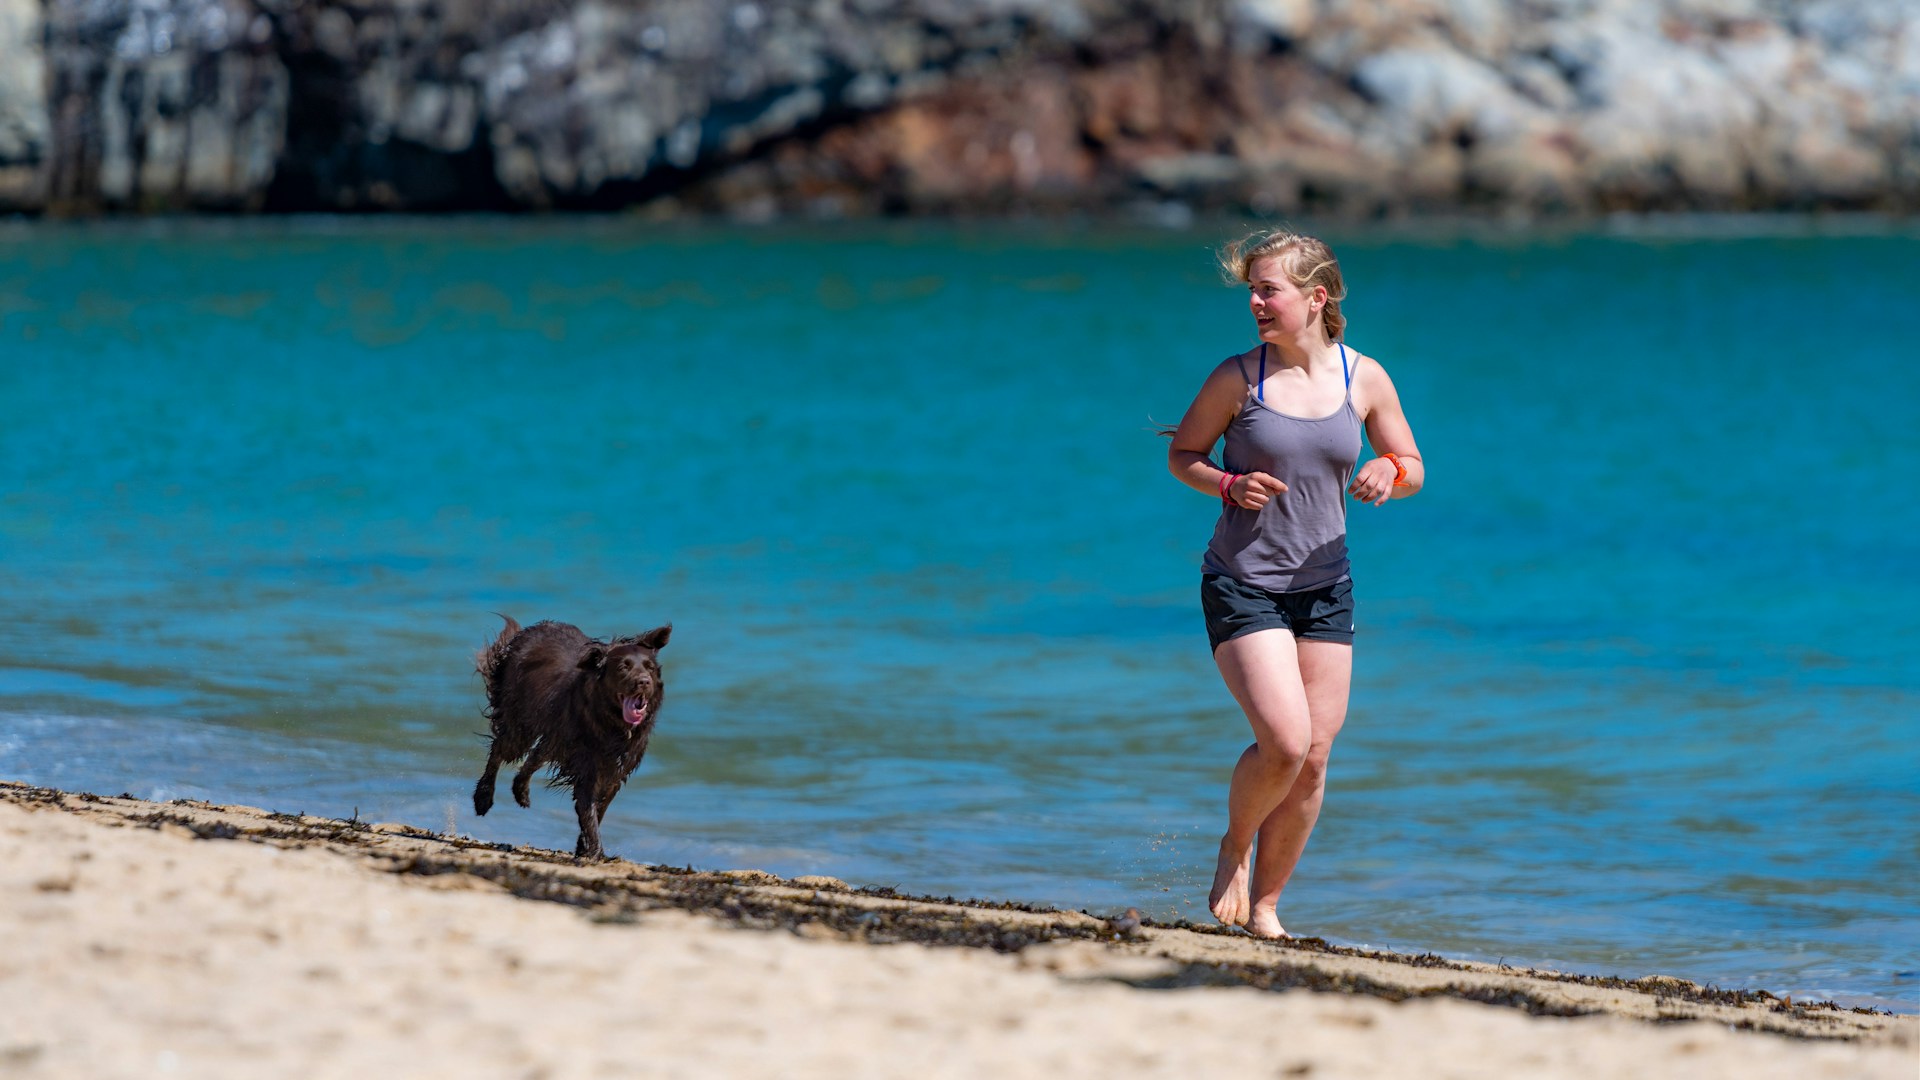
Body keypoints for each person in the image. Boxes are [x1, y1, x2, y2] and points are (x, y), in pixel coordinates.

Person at [1165, 229, 1423, 938]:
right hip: (1243, 581)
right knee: (1283, 740)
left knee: (1313, 759)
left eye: (1267, 289)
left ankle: (1269, 910)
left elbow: (1411, 463)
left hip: (1325, 586)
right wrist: (1227, 482)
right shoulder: (1237, 378)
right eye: (1251, 289)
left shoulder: (1363, 377)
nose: (1254, 302)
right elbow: (1184, 455)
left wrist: (1390, 472)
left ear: (1315, 298)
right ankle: (1233, 847)